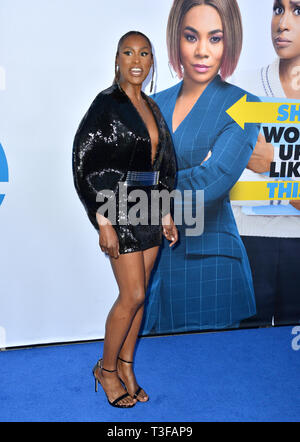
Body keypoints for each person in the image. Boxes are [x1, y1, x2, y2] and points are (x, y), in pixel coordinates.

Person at [141, 0, 261, 335]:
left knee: (207, 381)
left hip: (212, 272)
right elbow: (125, 173)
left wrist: (147, 191)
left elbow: (213, 181)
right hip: (155, 272)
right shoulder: (153, 104)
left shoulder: (245, 106)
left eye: (215, 38)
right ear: (176, 39)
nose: (202, 51)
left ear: (230, 41)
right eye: (191, 37)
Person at [72, 31, 177, 407]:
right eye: (128, 52)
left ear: (151, 63)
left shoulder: (150, 105)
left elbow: (163, 163)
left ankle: (127, 366)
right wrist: (103, 220)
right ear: (117, 59)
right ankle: (107, 369)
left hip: (149, 205)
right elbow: (86, 164)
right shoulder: (106, 106)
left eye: (144, 53)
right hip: (119, 207)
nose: (136, 59)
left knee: (140, 297)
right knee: (130, 294)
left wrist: (165, 211)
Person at [231, 0, 300, 327]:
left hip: (297, 243)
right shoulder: (243, 86)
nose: (282, 23)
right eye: (278, 8)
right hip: (250, 238)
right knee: (246, 348)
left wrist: (274, 163)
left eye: (298, 10)